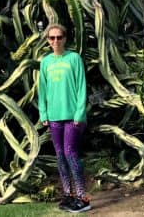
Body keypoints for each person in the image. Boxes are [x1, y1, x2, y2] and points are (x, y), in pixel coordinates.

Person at [38, 23, 91, 213]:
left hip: (73, 118)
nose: (55, 41)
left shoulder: (74, 58)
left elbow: (81, 86)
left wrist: (79, 113)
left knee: (71, 154)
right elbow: (42, 89)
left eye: (59, 37)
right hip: (54, 117)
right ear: (47, 41)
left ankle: (83, 197)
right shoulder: (45, 62)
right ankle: (68, 194)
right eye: (51, 38)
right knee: (60, 155)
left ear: (65, 38)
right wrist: (43, 113)